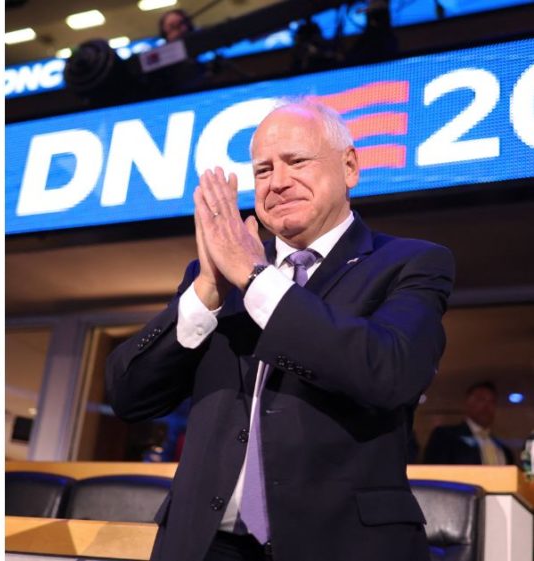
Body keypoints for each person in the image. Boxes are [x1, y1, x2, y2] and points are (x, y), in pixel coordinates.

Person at [106, 100, 455, 561]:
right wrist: (207, 290)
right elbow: (131, 396)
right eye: (263, 170)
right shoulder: (216, 274)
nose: (278, 182)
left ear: (350, 166)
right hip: (204, 545)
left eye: (297, 161)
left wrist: (257, 280)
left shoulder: (412, 262)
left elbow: (390, 371)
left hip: (340, 545)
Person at [424, 381, 516, 465]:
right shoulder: (445, 436)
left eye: (492, 402)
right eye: (481, 399)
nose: (487, 406)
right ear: (468, 402)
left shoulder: (504, 450)